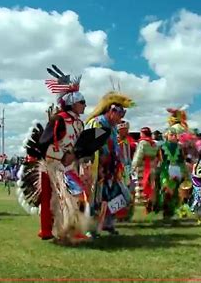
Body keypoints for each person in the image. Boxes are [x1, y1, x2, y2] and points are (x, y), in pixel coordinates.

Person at [18, 65, 90, 244]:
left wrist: (77, 156)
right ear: (73, 101)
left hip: (69, 166)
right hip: (54, 165)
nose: (85, 105)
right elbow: (44, 143)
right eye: (82, 102)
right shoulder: (59, 119)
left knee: (76, 196)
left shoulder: (79, 124)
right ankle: (59, 232)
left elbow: (79, 144)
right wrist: (62, 157)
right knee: (59, 199)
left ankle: (71, 230)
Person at [85, 91, 135, 237]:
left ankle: (108, 223)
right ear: (112, 111)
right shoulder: (98, 123)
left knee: (115, 197)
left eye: (123, 113)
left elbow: (115, 147)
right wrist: (97, 167)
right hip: (97, 168)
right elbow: (90, 147)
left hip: (111, 168)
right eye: (120, 113)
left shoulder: (112, 127)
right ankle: (91, 228)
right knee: (96, 199)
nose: (121, 117)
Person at [131, 127, 159, 214]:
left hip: (143, 166)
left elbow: (138, 155)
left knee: (143, 185)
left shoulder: (142, 143)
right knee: (151, 185)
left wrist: (133, 166)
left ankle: (146, 204)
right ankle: (151, 202)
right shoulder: (154, 143)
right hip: (152, 165)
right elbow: (157, 155)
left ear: (143, 133)